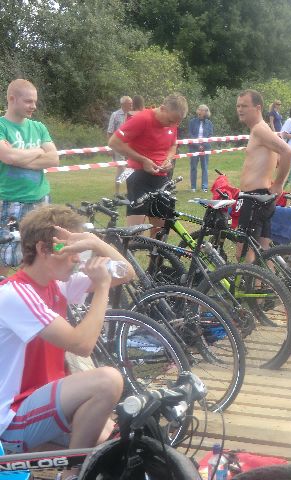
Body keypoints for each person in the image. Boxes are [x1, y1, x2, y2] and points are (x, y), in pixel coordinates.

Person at [0, 204, 134, 480]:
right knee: (107, 381)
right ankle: (72, 475)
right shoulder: (15, 294)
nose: (76, 258)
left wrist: (96, 243)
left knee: (111, 440)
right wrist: (102, 288)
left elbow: (126, 273)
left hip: (40, 406)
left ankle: (75, 466)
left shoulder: (56, 285)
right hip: (11, 421)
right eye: (69, 249)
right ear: (43, 249)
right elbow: (82, 344)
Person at [0, 79, 60, 275]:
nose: (33, 106)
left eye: (34, 101)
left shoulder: (38, 127)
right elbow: (8, 157)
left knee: (39, 251)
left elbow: (54, 159)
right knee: (5, 254)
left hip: (40, 199)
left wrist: (19, 158)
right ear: (12, 99)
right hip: (9, 200)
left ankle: (28, 291)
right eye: (28, 101)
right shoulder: (1, 126)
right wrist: (38, 150)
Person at [108, 94, 188, 233]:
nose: (172, 125)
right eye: (170, 121)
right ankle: (128, 246)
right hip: (138, 176)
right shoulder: (142, 119)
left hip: (161, 178)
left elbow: (173, 145)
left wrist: (169, 159)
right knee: (134, 232)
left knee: (159, 231)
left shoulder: (172, 122)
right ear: (162, 108)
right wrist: (143, 160)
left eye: (176, 123)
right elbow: (114, 142)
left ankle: (155, 248)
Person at [235, 89, 291, 263]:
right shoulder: (261, 129)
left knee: (243, 251)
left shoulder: (260, 129)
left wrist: (279, 184)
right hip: (262, 197)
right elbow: (278, 157)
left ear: (258, 108)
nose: (240, 109)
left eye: (245, 106)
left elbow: (287, 152)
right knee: (264, 251)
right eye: (238, 106)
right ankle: (268, 280)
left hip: (254, 198)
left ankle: (248, 281)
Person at [107, 96, 133, 195]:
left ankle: (128, 190)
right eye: (129, 103)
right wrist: (109, 147)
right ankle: (117, 192)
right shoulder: (115, 115)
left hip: (129, 145)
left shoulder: (132, 115)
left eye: (131, 103)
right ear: (123, 104)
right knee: (121, 168)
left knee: (129, 168)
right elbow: (110, 132)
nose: (131, 105)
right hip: (117, 145)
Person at [187, 104, 214, 192]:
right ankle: (193, 187)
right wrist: (198, 145)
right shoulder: (192, 122)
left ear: (206, 112)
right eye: (199, 110)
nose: (200, 112)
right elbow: (190, 134)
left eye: (202, 110)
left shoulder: (209, 123)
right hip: (194, 147)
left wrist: (203, 145)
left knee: (204, 167)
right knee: (193, 167)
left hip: (205, 148)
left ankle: (204, 187)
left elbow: (210, 136)